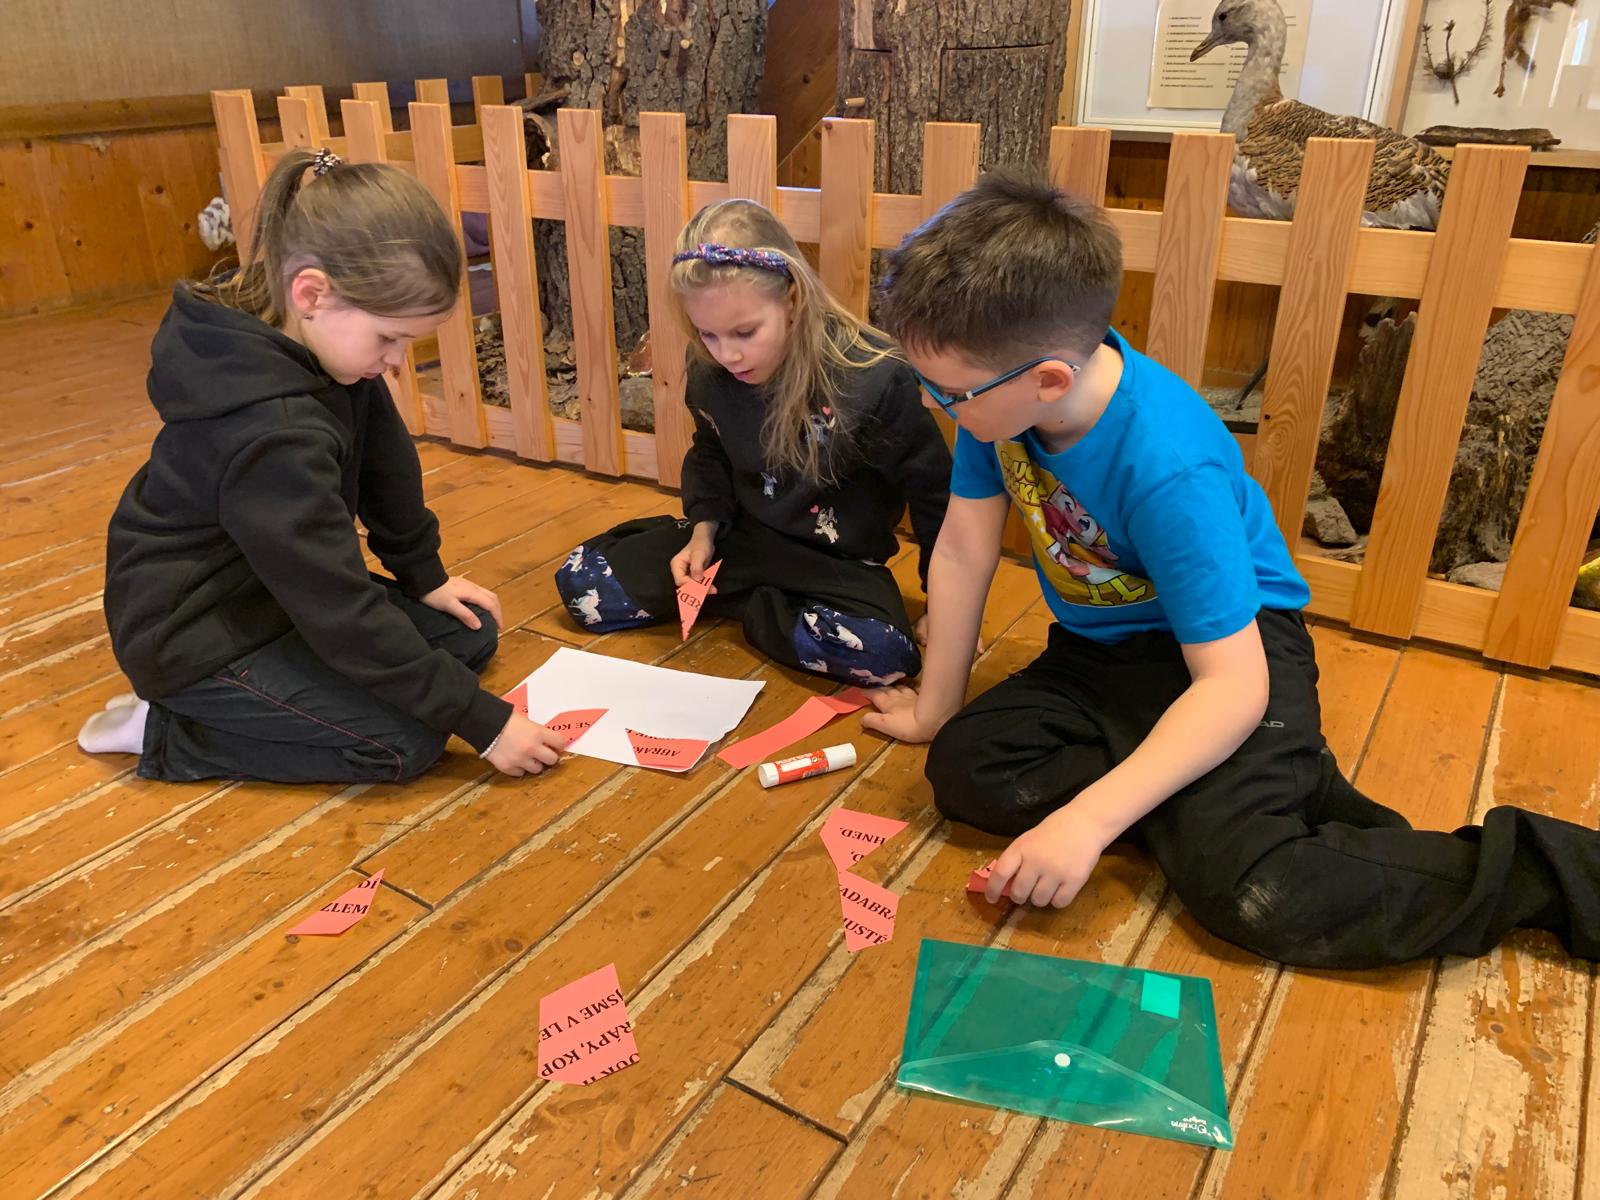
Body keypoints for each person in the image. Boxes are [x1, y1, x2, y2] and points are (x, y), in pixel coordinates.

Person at [863, 170, 1600, 968]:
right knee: (966, 770)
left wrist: (1089, 820)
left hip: (1238, 654)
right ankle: (1223, 786)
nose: (935, 404)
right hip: (1108, 654)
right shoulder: (1002, 403)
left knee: (1257, 892)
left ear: (1049, 381)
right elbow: (963, 548)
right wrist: (936, 708)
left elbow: (1234, 683)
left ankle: (1551, 869)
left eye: (949, 392)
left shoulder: (1168, 464)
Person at [80, 148, 568, 783]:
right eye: (389, 337)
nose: (396, 360)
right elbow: (338, 608)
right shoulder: (270, 433)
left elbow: (385, 469)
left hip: (276, 596)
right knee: (406, 743)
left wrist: (424, 576)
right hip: (199, 639)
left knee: (467, 637)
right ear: (311, 293)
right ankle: (165, 731)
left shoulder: (329, 353)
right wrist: (487, 724)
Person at [554, 199, 951, 686]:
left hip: (831, 563)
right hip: (737, 541)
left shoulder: (875, 376)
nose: (728, 354)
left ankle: (753, 607)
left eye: (745, 332)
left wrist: (942, 604)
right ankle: (759, 600)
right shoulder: (709, 365)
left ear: (792, 299)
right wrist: (702, 532)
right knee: (583, 585)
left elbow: (934, 492)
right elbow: (710, 450)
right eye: (708, 333)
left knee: (885, 655)